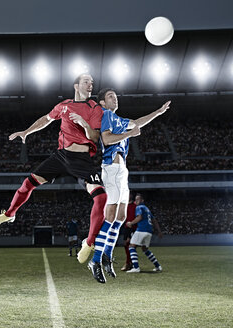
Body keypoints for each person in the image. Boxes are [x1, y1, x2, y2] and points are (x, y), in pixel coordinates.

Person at [0, 73, 107, 259]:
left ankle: (89, 242)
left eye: (92, 82)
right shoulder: (64, 105)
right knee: (28, 183)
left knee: (101, 198)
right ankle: (10, 214)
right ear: (76, 86)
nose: (90, 84)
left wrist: (83, 124)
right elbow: (46, 119)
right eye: (86, 81)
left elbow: (94, 137)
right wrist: (27, 131)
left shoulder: (95, 108)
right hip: (61, 157)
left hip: (81, 160)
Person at [86, 88, 170, 283]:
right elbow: (106, 139)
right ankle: (96, 260)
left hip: (122, 171)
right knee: (110, 216)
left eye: (115, 95)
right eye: (110, 96)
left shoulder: (120, 120)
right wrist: (130, 134)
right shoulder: (106, 115)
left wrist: (157, 112)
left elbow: (138, 122)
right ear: (103, 104)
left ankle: (106, 256)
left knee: (121, 217)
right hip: (112, 169)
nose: (114, 98)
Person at [126, 193, 163, 273]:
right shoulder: (147, 209)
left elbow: (139, 217)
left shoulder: (139, 207)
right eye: (135, 200)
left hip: (141, 229)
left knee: (131, 246)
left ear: (142, 200)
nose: (136, 201)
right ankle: (158, 266)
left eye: (138, 199)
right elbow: (154, 221)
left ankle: (136, 267)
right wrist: (159, 231)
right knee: (144, 249)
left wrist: (131, 223)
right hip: (149, 231)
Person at [121, 192, 137, 271]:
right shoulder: (125, 205)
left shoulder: (135, 205)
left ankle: (129, 263)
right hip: (126, 227)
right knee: (125, 244)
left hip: (133, 227)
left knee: (130, 244)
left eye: (129, 194)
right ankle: (130, 263)